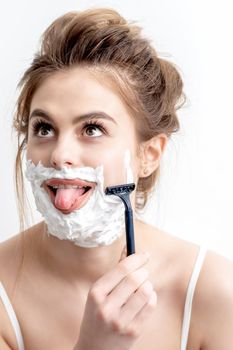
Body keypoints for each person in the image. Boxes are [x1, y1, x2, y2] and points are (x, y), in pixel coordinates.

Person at [0, 7, 232, 350]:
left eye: (92, 128)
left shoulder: (213, 290)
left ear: (148, 155)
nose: (60, 154)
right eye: (44, 128)